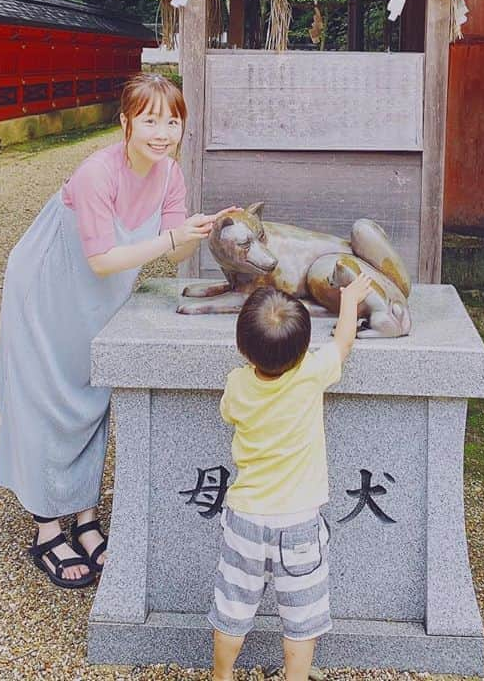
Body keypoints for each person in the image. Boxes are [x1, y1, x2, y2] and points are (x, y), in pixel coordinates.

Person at [0, 73, 224, 589]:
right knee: (46, 396)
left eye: (173, 120)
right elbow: (100, 258)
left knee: (94, 395)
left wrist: (193, 233)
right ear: (125, 123)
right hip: (49, 287)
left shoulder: (169, 174)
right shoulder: (97, 173)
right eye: (150, 120)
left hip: (100, 297)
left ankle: (85, 515)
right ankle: (46, 526)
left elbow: (177, 249)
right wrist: (170, 238)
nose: (163, 131)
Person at [209, 270, 374, 681]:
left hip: (245, 519)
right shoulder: (311, 374)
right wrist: (349, 299)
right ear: (302, 352)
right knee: (301, 618)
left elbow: (228, 412)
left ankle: (222, 675)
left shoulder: (238, 385)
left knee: (233, 607)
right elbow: (343, 342)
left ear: (242, 348)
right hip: (298, 523)